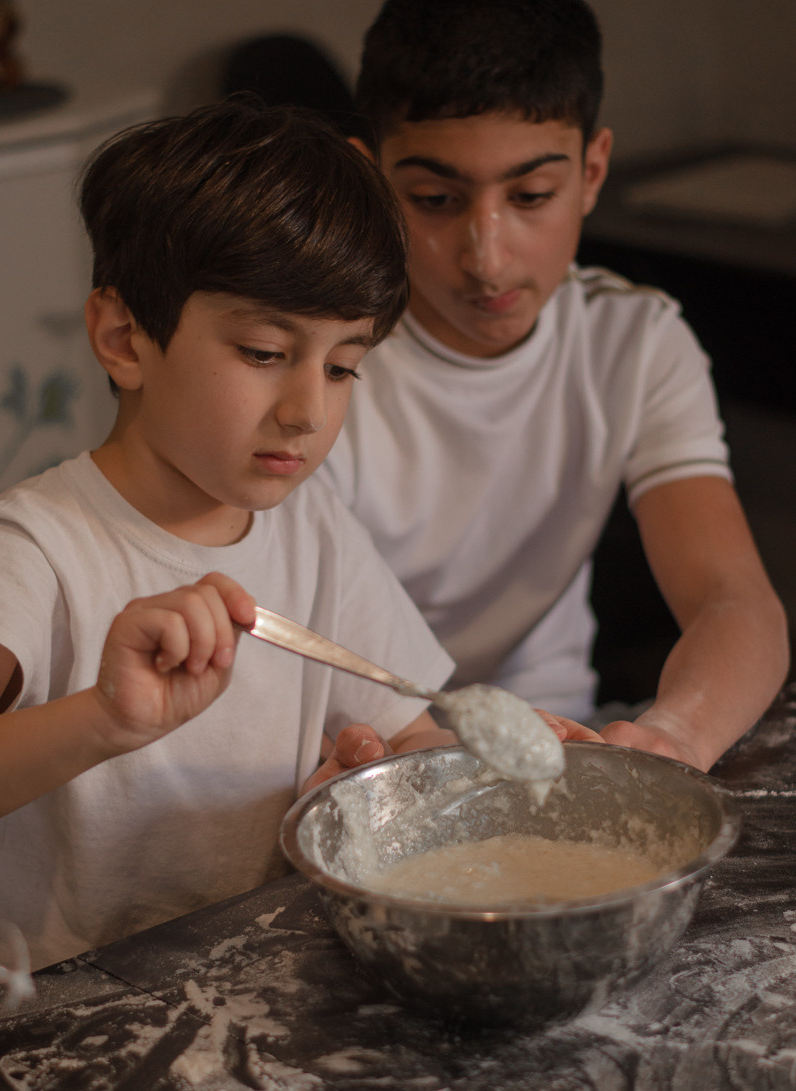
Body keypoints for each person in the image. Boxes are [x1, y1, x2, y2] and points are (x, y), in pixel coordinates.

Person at [0, 98, 470, 971]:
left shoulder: (312, 531)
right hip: (67, 1034)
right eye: (265, 352)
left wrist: (408, 775)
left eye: (343, 366)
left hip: (268, 987)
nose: (308, 409)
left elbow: (410, 732)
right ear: (124, 339)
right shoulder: (28, 551)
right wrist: (104, 720)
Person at [322, 0, 789, 773]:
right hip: (359, 749)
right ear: (369, 175)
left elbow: (731, 601)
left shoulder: (630, 344)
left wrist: (677, 733)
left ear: (592, 171)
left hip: (564, 730)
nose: (488, 258)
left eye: (531, 196)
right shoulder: (316, 365)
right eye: (436, 201)